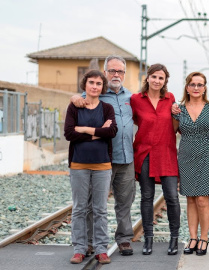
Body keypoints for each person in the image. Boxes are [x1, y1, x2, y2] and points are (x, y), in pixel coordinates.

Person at [71, 55, 136, 256]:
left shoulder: (131, 98)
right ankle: (89, 242)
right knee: (93, 204)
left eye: (120, 71)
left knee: (125, 202)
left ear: (124, 74)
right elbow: (76, 107)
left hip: (126, 158)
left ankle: (124, 239)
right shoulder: (93, 95)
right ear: (105, 73)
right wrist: (73, 97)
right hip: (102, 159)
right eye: (112, 71)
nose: (116, 74)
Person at [64, 70, 118, 264]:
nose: (95, 86)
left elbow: (111, 131)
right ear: (84, 85)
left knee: (100, 209)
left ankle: (101, 249)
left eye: (98, 83)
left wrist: (85, 129)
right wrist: (97, 132)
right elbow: (69, 133)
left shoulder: (107, 108)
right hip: (78, 164)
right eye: (91, 83)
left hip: (102, 165)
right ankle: (79, 248)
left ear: (102, 87)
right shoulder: (75, 107)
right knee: (79, 208)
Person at [172, 72, 209, 256]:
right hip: (186, 156)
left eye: (199, 85)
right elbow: (171, 132)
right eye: (192, 84)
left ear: (204, 88)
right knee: (190, 199)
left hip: (208, 155)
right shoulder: (179, 109)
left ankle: (204, 238)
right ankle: (192, 238)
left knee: (202, 199)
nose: (196, 88)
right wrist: (172, 113)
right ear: (187, 87)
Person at [130, 64, 181, 255]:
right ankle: (148, 240)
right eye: (154, 77)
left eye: (161, 78)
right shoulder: (136, 99)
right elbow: (132, 120)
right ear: (148, 78)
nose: (157, 81)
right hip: (144, 154)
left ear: (165, 81)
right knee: (146, 197)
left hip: (166, 154)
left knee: (172, 197)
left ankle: (174, 239)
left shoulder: (170, 99)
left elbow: (176, 126)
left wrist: (177, 115)